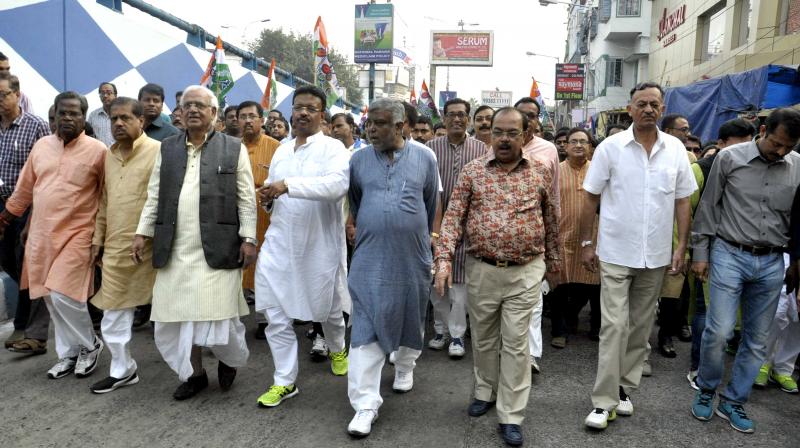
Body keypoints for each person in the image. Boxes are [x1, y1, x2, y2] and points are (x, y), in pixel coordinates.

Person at [435, 107, 560, 447]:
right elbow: (453, 218)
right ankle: (485, 390)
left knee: (517, 343)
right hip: (482, 269)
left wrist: (555, 262)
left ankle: (511, 414)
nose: (504, 139)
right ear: (489, 134)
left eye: (512, 132)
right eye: (498, 132)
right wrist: (444, 261)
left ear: (525, 134)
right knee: (486, 339)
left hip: (525, 271)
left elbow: (551, 219)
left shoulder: (539, 173)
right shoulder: (472, 172)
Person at [582, 82, 696, 430]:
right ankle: (603, 402)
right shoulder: (610, 148)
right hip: (616, 251)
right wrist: (587, 243)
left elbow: (682, 201)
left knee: (640, 328)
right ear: (630, 109)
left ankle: (624, 389)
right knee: (614, 326)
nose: (648, 109)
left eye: (654, 105)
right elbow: (590, 197)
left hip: (657, 255)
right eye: (641, 104)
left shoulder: (675, 148)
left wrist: (681, 246)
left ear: (662, 110)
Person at [132, 85, 257, 400]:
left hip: (219, 248)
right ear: (180, 112)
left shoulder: (233, 147)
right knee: (177, 318)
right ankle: (195, 374)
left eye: (200, 105)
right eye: (187, 105)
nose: (192, 110)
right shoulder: (168, 147)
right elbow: (155, 195)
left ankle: (228, 360)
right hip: (174, 249)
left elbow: (246, 198)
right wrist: (142, 232)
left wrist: (249, 238)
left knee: (219, 315)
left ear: (214, 113)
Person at [690, 108, 800, 433]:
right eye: (776, 144)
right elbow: (708, 206)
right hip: (729, 251)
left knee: (757, 339)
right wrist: (700, 253)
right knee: (720, 330)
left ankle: (734, 400)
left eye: (788, 147)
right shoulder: (729, 158)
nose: (780, 152)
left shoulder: (798, 167)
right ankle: (707, 389)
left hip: (771, 260)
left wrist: (795, 262)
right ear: (763, 130)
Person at [346, 98, 439, 437]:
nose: (371, 129)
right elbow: (356, 201)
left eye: (381, 123)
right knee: (365, 324)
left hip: (411, 254)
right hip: (369, 255)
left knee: (410, 312)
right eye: (370, 122)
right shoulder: (358, 160)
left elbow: (431, 203)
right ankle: (365, 404)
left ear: (401, 127)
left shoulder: (425, 158)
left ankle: (404, 364)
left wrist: (429, 238)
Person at [254, 86, 350, 407]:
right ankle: (284, 380)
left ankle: (337, 347)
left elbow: (337, 186)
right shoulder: (281, 149)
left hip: (319, 244)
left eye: (311, 108)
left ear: (321, 114)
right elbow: (276, 191)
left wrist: (287, 186)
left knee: (329, 309)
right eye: (298, 107)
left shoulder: (333, 148)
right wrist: (269, 195)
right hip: (280, 244)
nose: (303, 113)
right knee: (275, 315)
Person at [0, 91, 107, 380]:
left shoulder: (98, 151)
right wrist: (8, 219)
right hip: (43, 232)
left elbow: (108, 196)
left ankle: (90, 345)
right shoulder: (42, 146)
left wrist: (103, 235)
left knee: (64, 293)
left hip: (80, 232)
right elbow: (25, 188)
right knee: (48, 295)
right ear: (55, 116)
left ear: (84, 118)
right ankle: (69, 352)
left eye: (74, 113)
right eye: (63, 113)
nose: (68, 118)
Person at [89, 97, 159, 393]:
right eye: (113, 118)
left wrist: (147, 233)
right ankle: (123, 368)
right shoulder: (109, 154)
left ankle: (193, 369)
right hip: (118, 247)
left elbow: (162, 200)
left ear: (141, 121)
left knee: (171, 316)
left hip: (157, 248)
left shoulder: (160, 151)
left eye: (125, 118)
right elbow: (105, 202)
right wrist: (98, 239)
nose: (118, 123)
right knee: (114, 311)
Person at [426, 98, 488, 358]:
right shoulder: (430, 148)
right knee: (436, 284)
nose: (457, 119)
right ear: (444, 116)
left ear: (469, 118)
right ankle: (439, 330)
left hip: (467, 227)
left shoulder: (482, 149)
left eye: (462, 114)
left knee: (460, 286)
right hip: (434, 226)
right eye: (452, 114)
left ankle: (457, 335)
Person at [0, 73, 50, 354]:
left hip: (28, 208)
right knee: (7, 260)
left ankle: (27, 328)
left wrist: (33, 217)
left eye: (2, 95)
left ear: (17, 95)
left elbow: (45, 175)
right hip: (1, 206)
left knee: (28, 265)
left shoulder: (36, 127)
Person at [516, 96, 561, 373]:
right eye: (522, 114)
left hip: (537, 236)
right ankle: (508, 355)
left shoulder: (548, 150)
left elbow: (553, 197)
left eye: (532, 115)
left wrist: (552, 240)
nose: (527, 119)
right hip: (503, 239)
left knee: (533, 301)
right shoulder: (497, 147)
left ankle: (531, 356)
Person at [549, 128, 600, 349]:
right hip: (563, 236)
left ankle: (597, 328)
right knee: (559, 286)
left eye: (583, 141)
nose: (579, 145)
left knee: (594, 286)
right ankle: (559, 330)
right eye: (573, 141)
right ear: (565, 146)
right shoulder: (555, 171)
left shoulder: (600, 171)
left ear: (590, 147)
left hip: (595, 238)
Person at [237, 100, 280, 339]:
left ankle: (265, 319)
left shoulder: (276, 147)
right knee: (239, 266)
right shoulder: (232, 147)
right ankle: (232, 319)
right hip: (238, 217)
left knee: (265, 269)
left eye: (252, 116)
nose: (247, 121)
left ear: (262, 120)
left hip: (267, 217)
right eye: (242, 116)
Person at [86, 82, 117, 147]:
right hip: (98, 154)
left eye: (109, 93)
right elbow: (88, 137)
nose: (105, 96)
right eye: (102, 93)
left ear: (115, 95)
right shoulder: (93, 115)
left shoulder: (121, 114)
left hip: (118, 155)